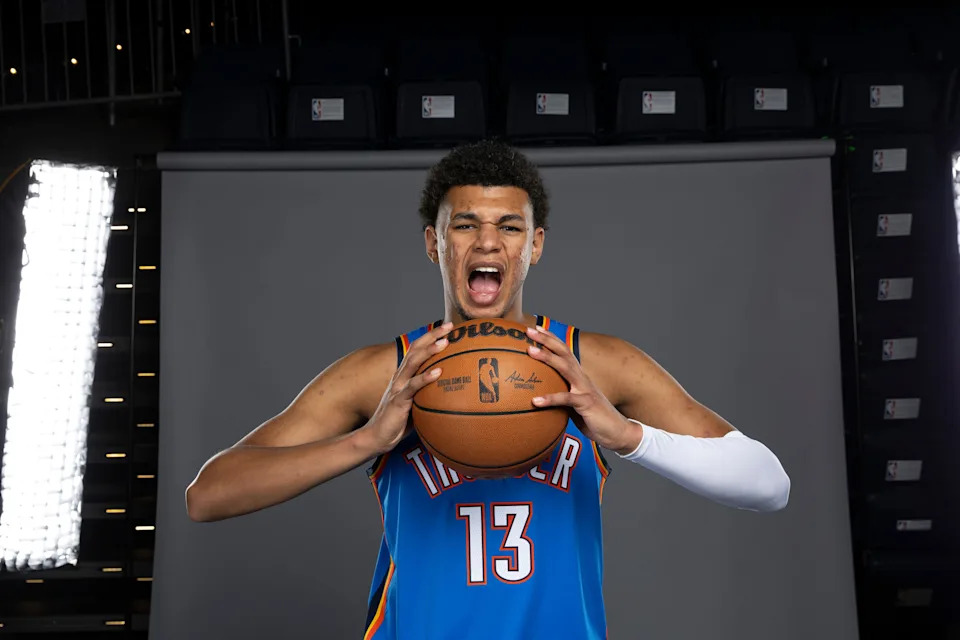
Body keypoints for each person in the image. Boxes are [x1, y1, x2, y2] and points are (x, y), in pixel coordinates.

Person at [185, 139, 791, 639]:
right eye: (465, 225)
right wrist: (365, 441)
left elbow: (769, 484)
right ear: (434, 243)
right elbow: (207, 495)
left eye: (509, 226)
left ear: (535, 245)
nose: (487, 243)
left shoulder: (593, 366)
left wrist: (627, 436)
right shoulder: (385, 373)